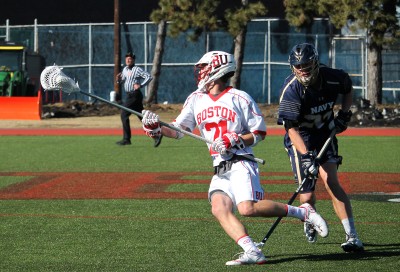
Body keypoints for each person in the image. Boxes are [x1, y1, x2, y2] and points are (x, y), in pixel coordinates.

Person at [141, 51, 329, 265]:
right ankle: (252, 251)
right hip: (219, 166)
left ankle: (302, 212)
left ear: (217, 68)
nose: (200, 72)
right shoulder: (195, 99)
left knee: (247, 208)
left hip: (241, 162)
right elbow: (177, 131)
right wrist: (156, 126)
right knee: (218, 207)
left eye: (204, 67)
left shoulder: (239, 97)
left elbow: (259, 132)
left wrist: (235, 139)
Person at [277, 43, 364, 252]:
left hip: (325, 134)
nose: (303, 69)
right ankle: (309, 220)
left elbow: (347, 88)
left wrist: (344, 113)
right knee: (306, 195)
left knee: (331, 181)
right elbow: (291, 129)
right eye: (298, 66)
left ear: (315, 62)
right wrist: (306, 156)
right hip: (301, 138)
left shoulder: (334, 77)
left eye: (306, 64)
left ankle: (352, 236)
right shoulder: (292, 90)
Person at [115, 52, 153, 145]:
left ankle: (127, 139)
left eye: (130, 58)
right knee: (142, 117)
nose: (128, 60)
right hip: (129, 95)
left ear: (133, 60)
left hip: (134, 95)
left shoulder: (137, 69)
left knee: (123, 114)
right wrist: (118, 80)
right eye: (127, 58)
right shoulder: (125, 70)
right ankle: (157, 134)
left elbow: (149, 77)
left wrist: (141, 85)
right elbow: (123, 81)